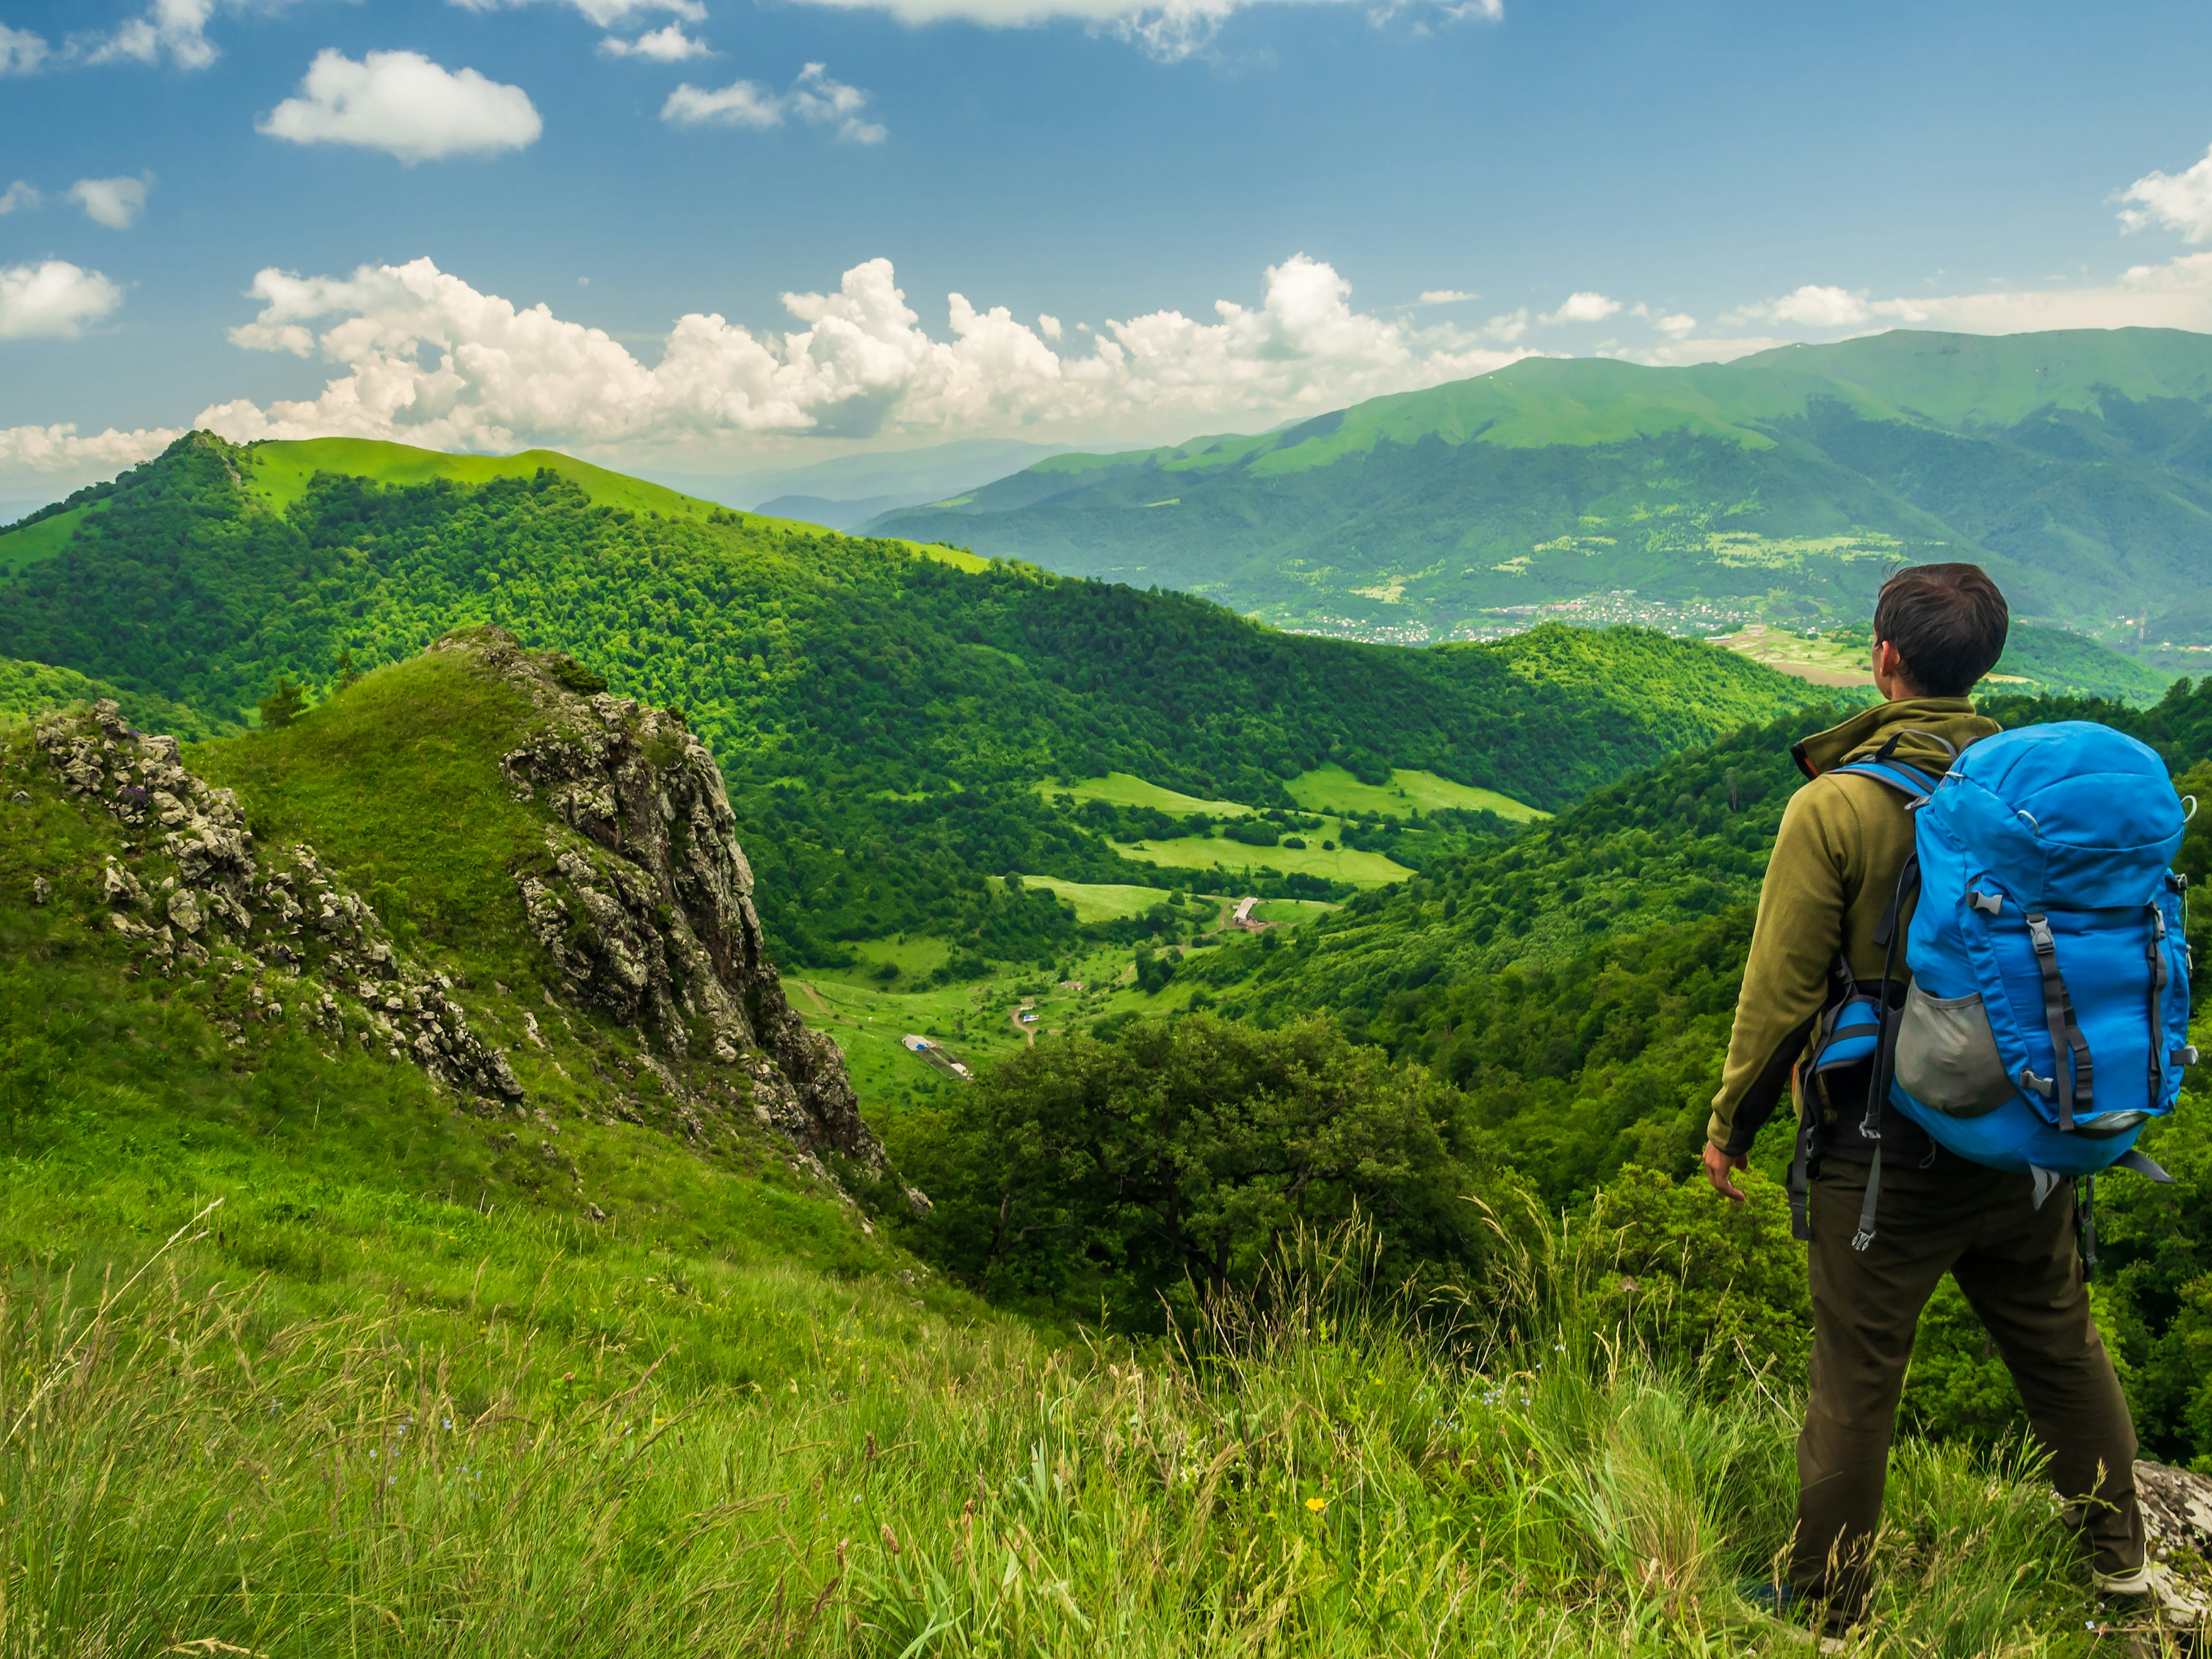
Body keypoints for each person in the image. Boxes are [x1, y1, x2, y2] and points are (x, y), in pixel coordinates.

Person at [1703, 563, 2147, 1631]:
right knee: (2060, 1348)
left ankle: (1829, 1609)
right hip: (2034, 1130)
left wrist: (1732, 1126)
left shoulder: (1839, 803)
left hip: (1882, 1147)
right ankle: (2123, 1575)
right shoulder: (2031, 798)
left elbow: (1782, 993)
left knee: (1857, 1375)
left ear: (1884, 657)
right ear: (1986, 662)